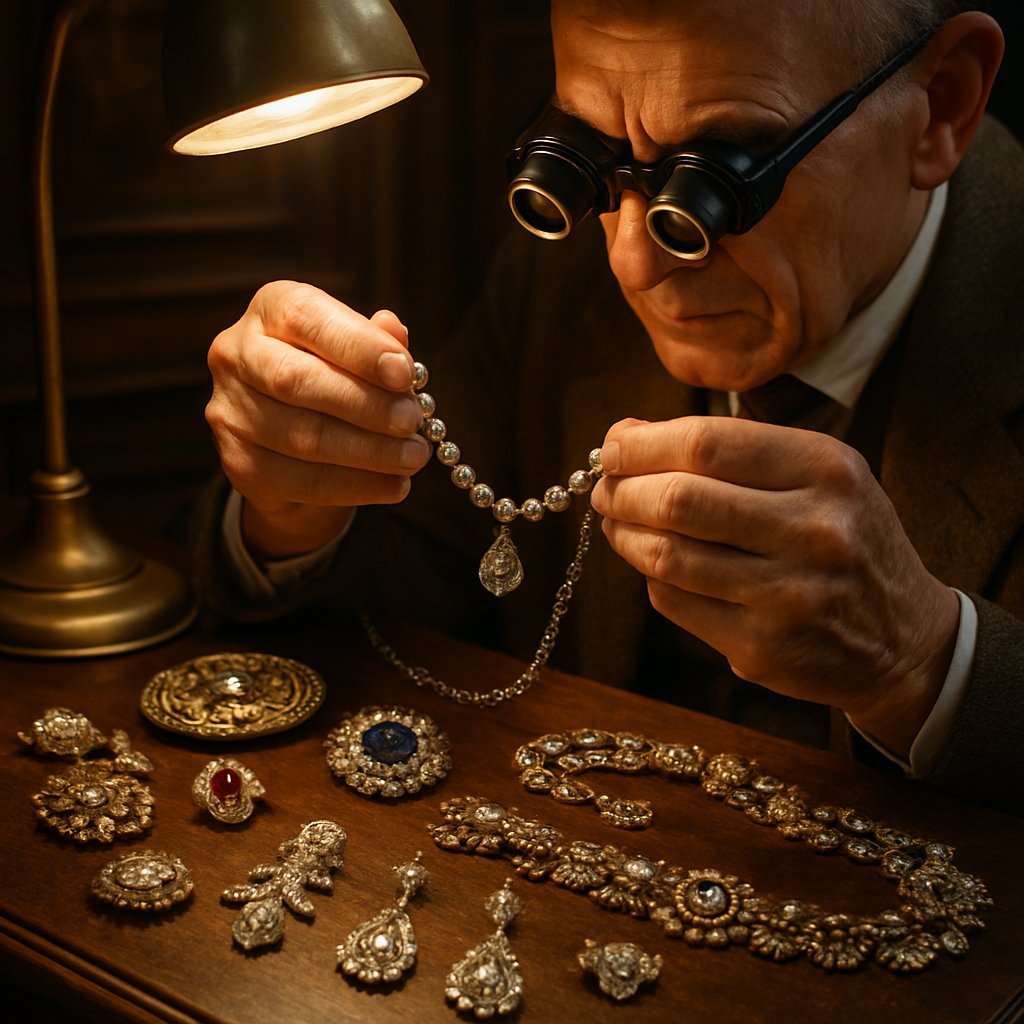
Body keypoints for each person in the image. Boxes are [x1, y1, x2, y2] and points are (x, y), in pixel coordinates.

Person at [193, 0, 1023, 814]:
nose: (633, 262)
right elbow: (417, 586)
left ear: (941, 105)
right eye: (588, 156)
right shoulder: (560, 283)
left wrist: (921, 663)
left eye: (723, 174)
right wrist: (291, 510)